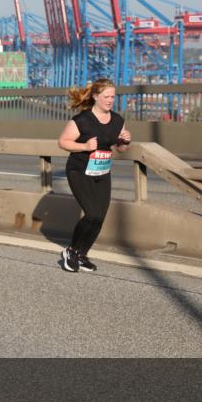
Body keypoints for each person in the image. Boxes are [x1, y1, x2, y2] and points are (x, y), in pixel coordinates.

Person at [57, 78, 131, 272]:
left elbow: (120, 149)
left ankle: (82, 254)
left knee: (100, 216)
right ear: (96, 96)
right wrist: (84, 146)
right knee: (91, 213)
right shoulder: (82, 120)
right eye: (106, 96)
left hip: (102, 171)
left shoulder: (117, 120)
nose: (110, 100)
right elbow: (63, 142)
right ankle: (71, 251)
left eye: (113, 97)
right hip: (79, 170)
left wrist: (125, 141)